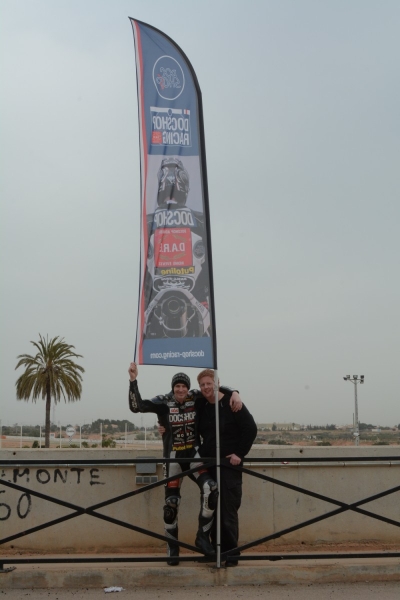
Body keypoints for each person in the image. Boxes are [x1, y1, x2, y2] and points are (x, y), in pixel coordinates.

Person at [128, 362, 242, 565]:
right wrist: (133, 380)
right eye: (177, 386)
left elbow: (213, 387)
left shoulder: (195, 397)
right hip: (172, 459)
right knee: (171, 504)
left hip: (194, 456)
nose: (181, 390)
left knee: (211, 489)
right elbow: (137, 406)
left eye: (184, 386)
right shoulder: (163, 402)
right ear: (173, 388)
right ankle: (172, 548)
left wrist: (234, 392)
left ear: (188, 388)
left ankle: (202, 538)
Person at [196, 369, 257, 567]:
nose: (206, 387)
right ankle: (215, 552)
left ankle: (230, 555)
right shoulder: (202, 404)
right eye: (203, 384)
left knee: (228, 511)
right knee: (211, 509)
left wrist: (239, 453)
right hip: (210, 464)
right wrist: (163, 425)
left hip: (229, 465)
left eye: (209, 383)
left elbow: (250, 428)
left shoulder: (232, 402)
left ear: (217, 383)